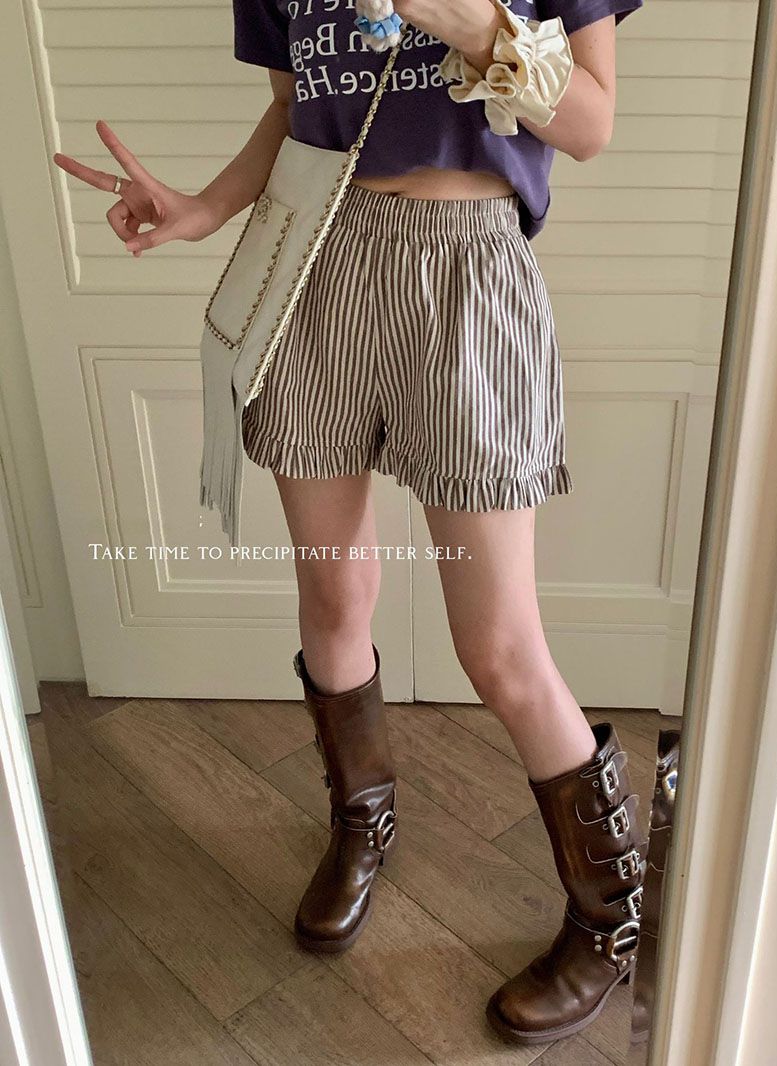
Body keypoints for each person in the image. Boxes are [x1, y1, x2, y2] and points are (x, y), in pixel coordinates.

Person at [53, 0, 648, 1045]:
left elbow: (590, 124)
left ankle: (611, 918)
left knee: (498, 646)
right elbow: (295, 112)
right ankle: (360, 822)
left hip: (467, 270)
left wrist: (461, 18)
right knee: (333, 591)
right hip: (316, 264)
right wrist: (204, 208)